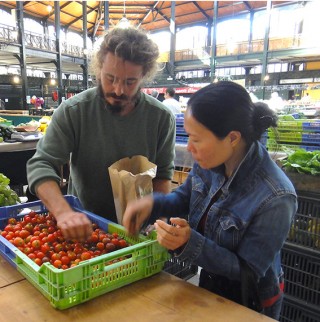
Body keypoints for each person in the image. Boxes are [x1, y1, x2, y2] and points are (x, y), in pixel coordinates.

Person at [123, 81, 297, 320]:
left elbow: (248, 272)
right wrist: (152, 204)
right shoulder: (210, 161)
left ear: (232, 138)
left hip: (250, 304)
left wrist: (189, 243)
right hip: (210, 288)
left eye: (196, 139)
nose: (190, 148)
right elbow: (183, 198)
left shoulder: (276, 197)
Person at [27, 27, 176, 241]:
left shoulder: (161, 118)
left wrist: (159, 219)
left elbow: (162, 176)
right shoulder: (73, 111)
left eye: (129, 82)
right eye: (110, 78)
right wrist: (63, 212)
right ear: (98, 70)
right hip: (85, 230)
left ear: (144, 76)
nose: (118, 90)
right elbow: (40, 164)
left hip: (138, 234)